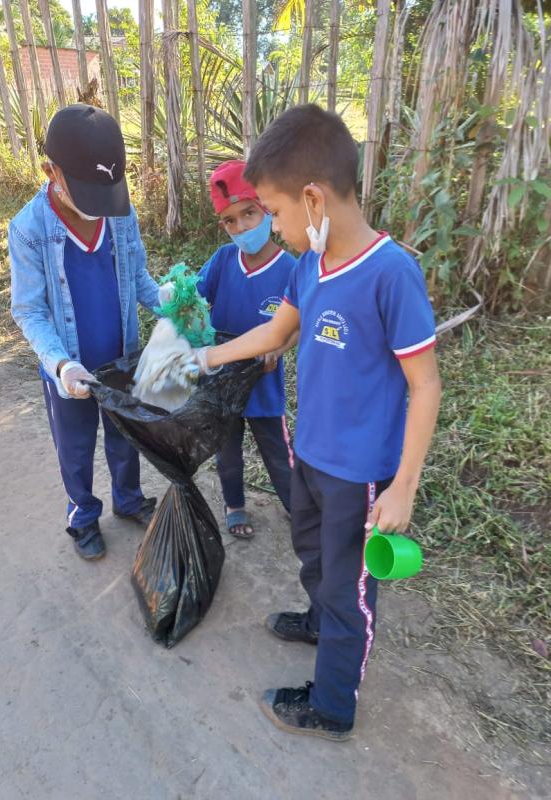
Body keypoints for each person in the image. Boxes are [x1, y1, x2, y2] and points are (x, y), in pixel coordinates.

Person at [197, 105, 442, 740]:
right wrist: (210, 354)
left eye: (273, 213)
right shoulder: (311, 265)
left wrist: (404, 486)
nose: (272, 228)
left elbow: (425, 385)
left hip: (359, 476)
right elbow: (277, 331)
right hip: (310, 456)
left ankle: (333, 706)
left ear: (313, 198)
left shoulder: (393, 274)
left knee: (349, 588)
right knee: (314, 557)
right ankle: (318, 618)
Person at [9, 104, 160, 561]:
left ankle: (128, 499)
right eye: (88, 193)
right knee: (74, 446)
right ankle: (83, 516)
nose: (100, 208)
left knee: (124, 434)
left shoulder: (118, 212)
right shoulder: (29, 229)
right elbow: (29, 310)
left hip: (120, 356)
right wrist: (61, 364)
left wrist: (167, 301)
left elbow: (137, 277)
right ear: (50, 171)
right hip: (69, 367)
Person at [196, 160, 296, 538]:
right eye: (230, 221)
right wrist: (178, 298)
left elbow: (297, 326)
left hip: (264, 380)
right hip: (222, 376)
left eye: (249, 214)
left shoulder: (291, 270)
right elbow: (194, 297)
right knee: (228, 450)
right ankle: (235, 506)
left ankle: (296, 507)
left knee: (278, 452)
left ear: (267, 209)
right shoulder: (223, 260)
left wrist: (279, 346)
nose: (242, 228)